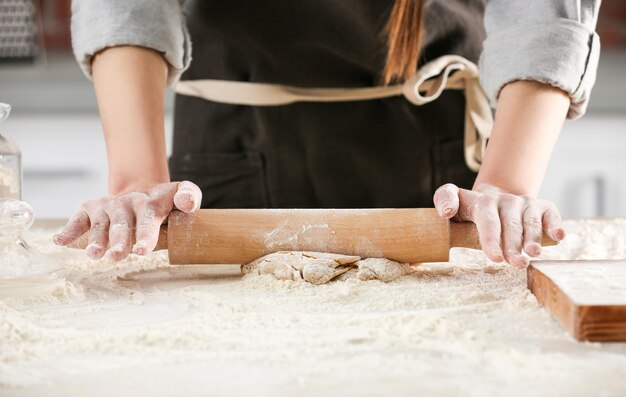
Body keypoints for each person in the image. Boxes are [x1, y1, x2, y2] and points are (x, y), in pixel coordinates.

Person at [54, 0, 601, 268]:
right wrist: (139, 178)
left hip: (442, 181)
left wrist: (505, 183)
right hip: (230, 150)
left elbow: (541, 12)